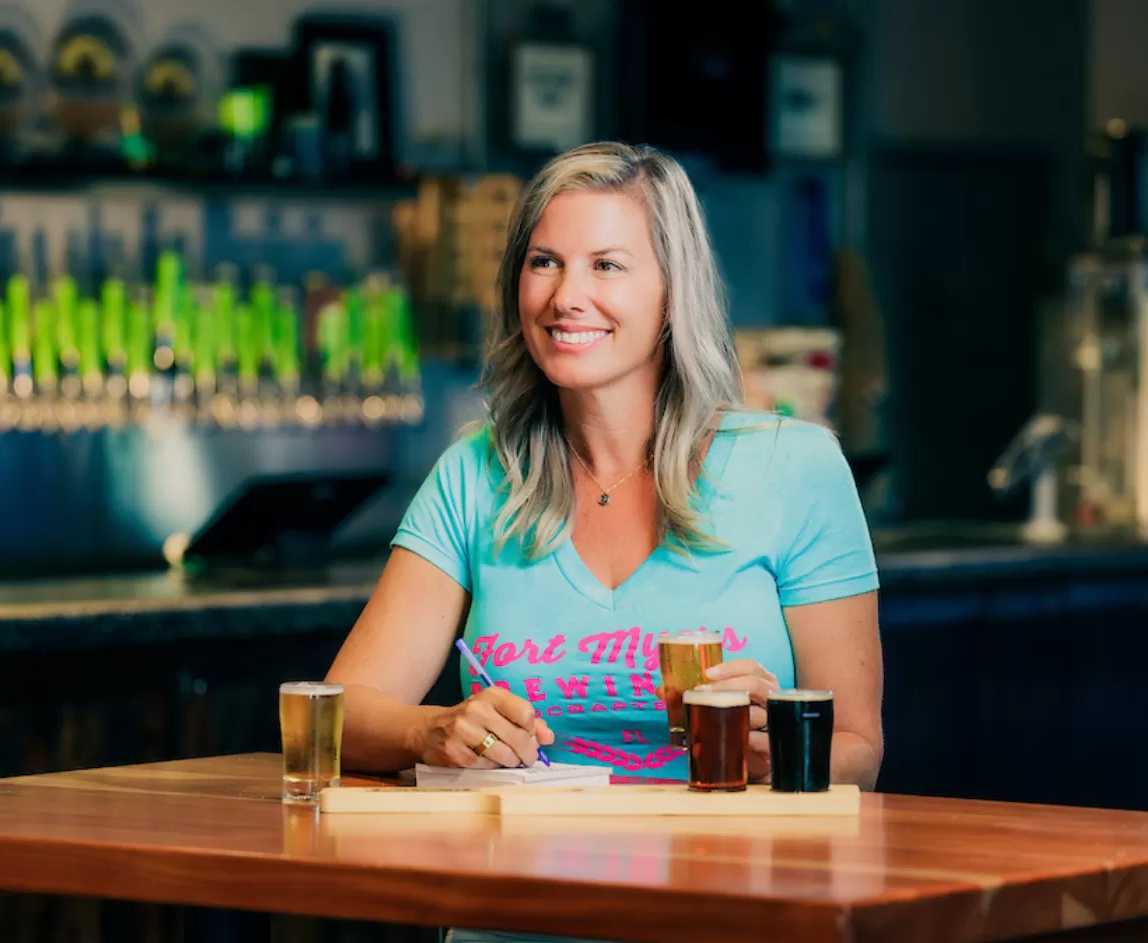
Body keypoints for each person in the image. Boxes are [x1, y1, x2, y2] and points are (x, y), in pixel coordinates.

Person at [326, 141, 881, 795]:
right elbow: (336, 716)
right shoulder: (474, 472)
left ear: (673, 295)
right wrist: (432, 729)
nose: (567, 296)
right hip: (526, 882)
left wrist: (777, 744)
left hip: (728, 878)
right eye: (545, 263)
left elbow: (859, 753)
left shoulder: (795, 467)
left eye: (607, 265)